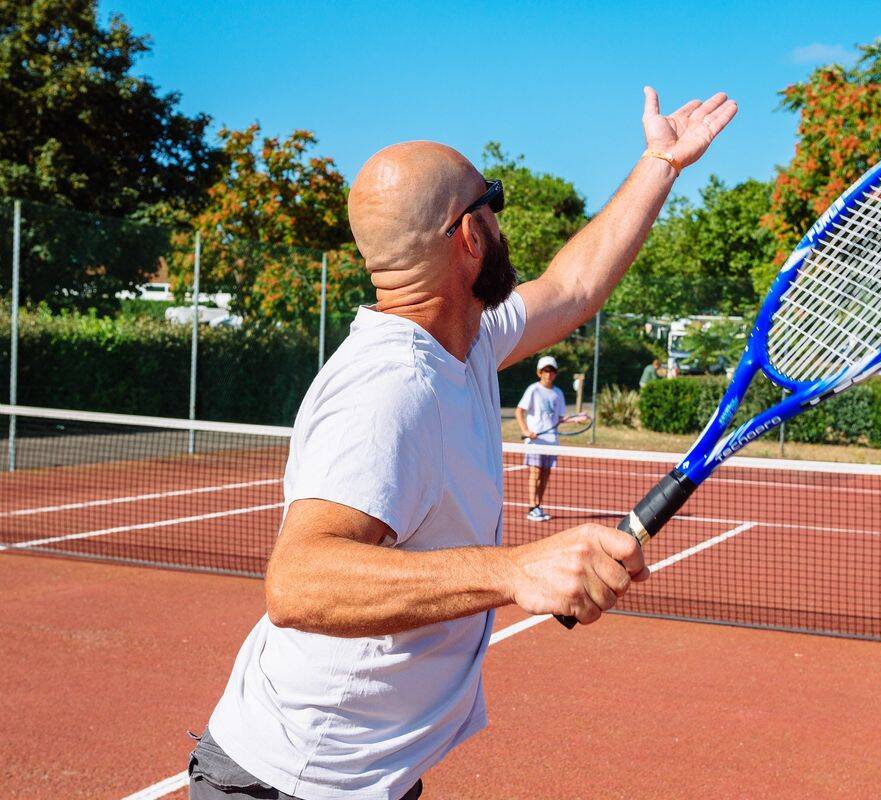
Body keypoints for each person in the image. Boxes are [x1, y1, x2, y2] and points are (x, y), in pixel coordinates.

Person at [188, 86, 737, 800]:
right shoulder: (389, 390)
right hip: (294, 785)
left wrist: (660, 164)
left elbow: (572, 286)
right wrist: (515, 572)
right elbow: (298, 581)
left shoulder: (465, 341)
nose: (502, 223)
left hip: (363, 777)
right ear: (470, 238)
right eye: (494, 201)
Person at [516, 355, 568, 522]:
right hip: (536, 441)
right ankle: (532, 507)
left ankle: (538, 506)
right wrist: (526, 430)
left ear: (555, 373)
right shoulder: (533, 390)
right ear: (539, 372)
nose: (549, 374)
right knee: (535, 472)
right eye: (546, 371)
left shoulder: (558, 393)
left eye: (552, 371)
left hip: (552, 442)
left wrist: (575, 419)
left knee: (545, 474)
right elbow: (519, 411)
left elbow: (559, 418)